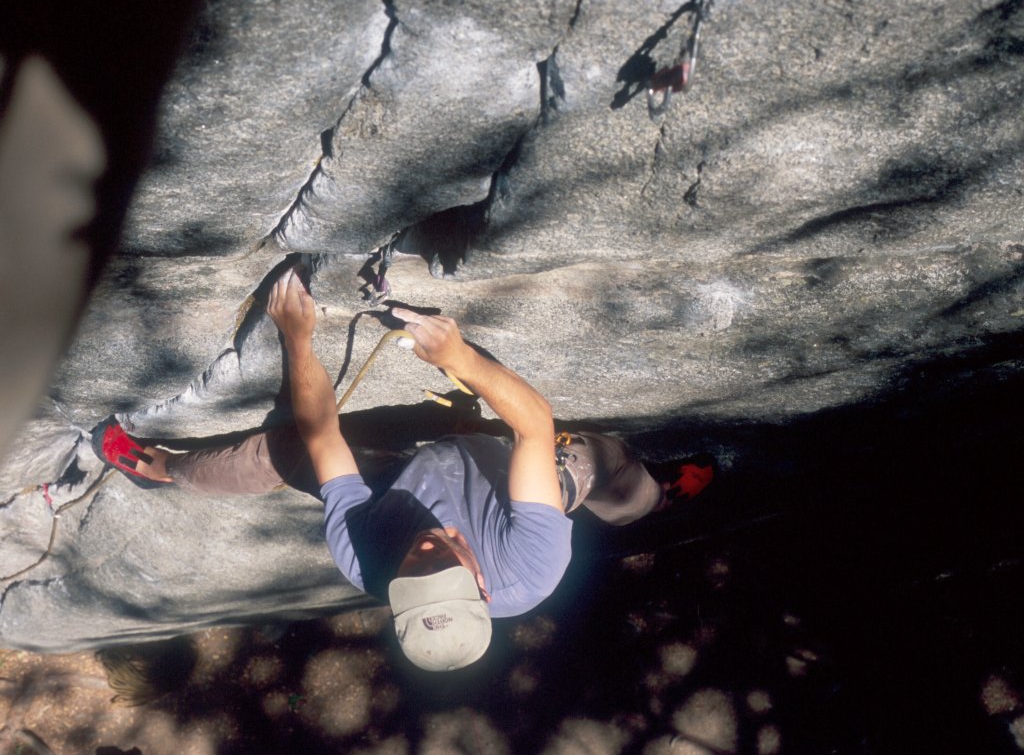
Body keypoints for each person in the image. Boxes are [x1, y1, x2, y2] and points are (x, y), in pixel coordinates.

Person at [93, 269, 712, 671]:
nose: (424, 551)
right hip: (504, 476)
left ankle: (160, 468)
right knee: (606, 469)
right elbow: (534, 425)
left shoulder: (366, 558)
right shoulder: (532, 563)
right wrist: (458, 356)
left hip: (404, 478)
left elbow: (321, 434)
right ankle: (657, 499)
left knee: (282, 454)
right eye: (444, 565)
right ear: (482, 586)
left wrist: (297, 337)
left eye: (414, 574)